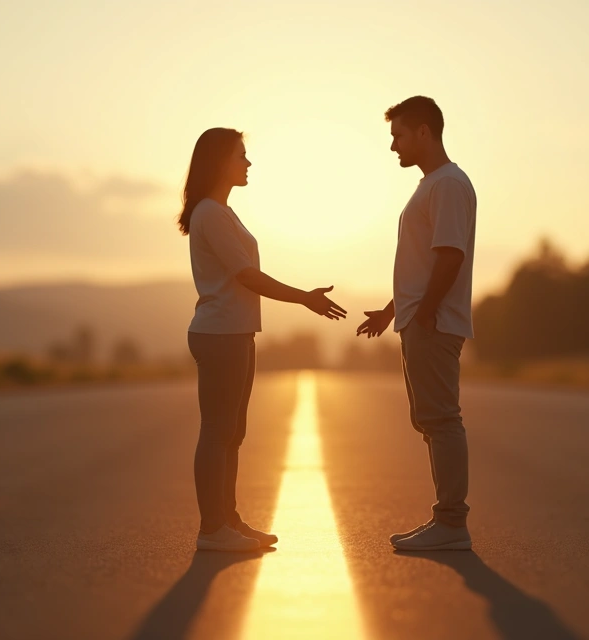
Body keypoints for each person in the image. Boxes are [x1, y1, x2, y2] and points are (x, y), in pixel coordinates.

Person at [180, 128, 347, 551]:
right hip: (220, 334)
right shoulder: (211, 214)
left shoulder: (222, 212)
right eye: (242, 155)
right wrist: (303, 299)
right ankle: (211, 529)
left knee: (232, 432)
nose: (249, 163)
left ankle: (228, 521)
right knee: (218, 431)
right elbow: (246, 275)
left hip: (236, 332)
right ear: (221, 162)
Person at [356, 97, 477, 551]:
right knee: (430, 419)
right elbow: (425, 262)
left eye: (398, 136)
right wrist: (392, 310)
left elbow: (450, 256)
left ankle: (451, 523)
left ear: (424, 132)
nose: (393, 147)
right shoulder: (433, 185)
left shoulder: (446, 185)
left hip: (434, 322)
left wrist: (425, 313)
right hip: (421, 319)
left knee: (442, 420)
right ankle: (446, 520)